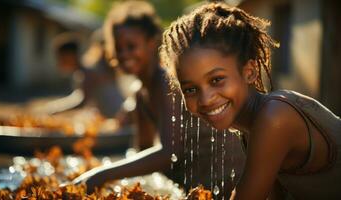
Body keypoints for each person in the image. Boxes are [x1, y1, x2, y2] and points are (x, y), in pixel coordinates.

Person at [159, 2, 341, 200]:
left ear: (250, 72)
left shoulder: (275, 117)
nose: (205, 99)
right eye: (191, 89)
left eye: (216, 80)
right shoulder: (251, 127)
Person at [73, 1, 245, 197]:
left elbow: (168, 155)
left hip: (223, 184)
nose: (124, 54)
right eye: (119, 48)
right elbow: (143, 150)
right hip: (190, 187)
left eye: (131, 46)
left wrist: (102, 174)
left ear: (152, 42)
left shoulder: (166, 83)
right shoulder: (140, 93)